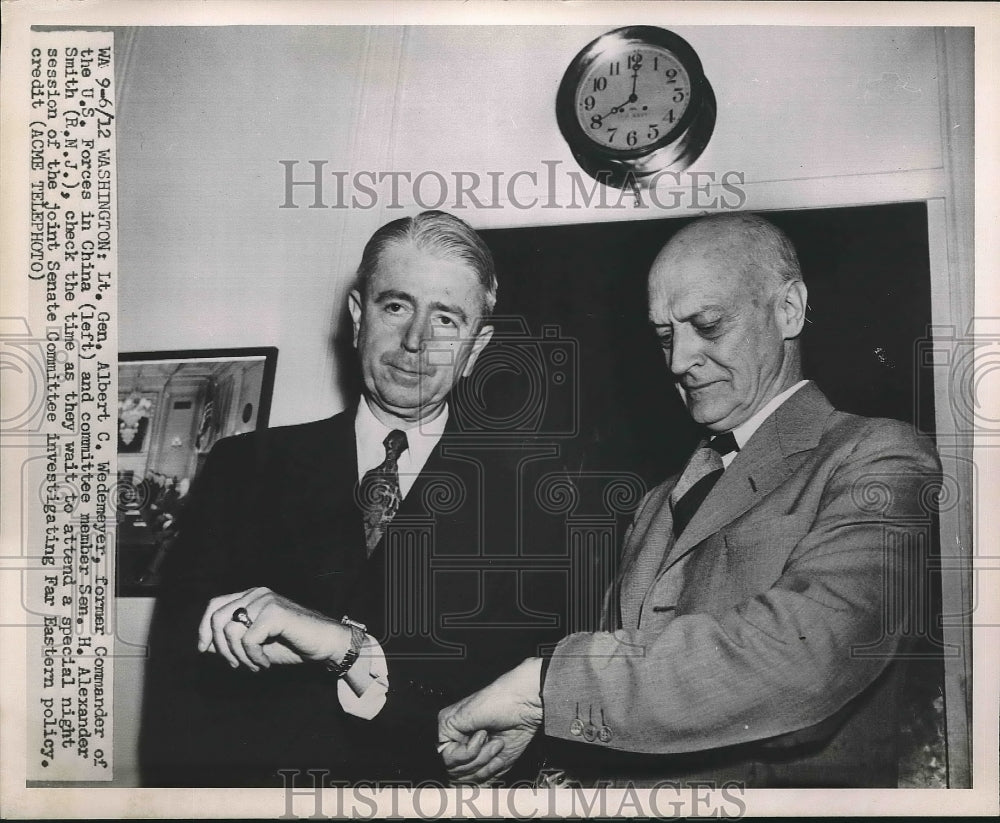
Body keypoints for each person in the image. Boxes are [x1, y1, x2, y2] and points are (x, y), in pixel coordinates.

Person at [437, 212, 940, 788]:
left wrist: (547, 687)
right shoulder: (656, 503)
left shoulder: (877, 454)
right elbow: (637, 680)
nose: (678, 360)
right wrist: (556, 736)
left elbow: (807, 658)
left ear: (789, 309)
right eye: (664, 336)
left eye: (707, 324)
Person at [140, 211, 568, 786]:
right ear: (358, 317)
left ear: (476, 347)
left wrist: (347, 651)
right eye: (396, 306)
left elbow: (516, 706)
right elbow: (176, 692)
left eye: (446, 319)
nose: (416, 340)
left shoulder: (532, 503)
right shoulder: (244, 469)